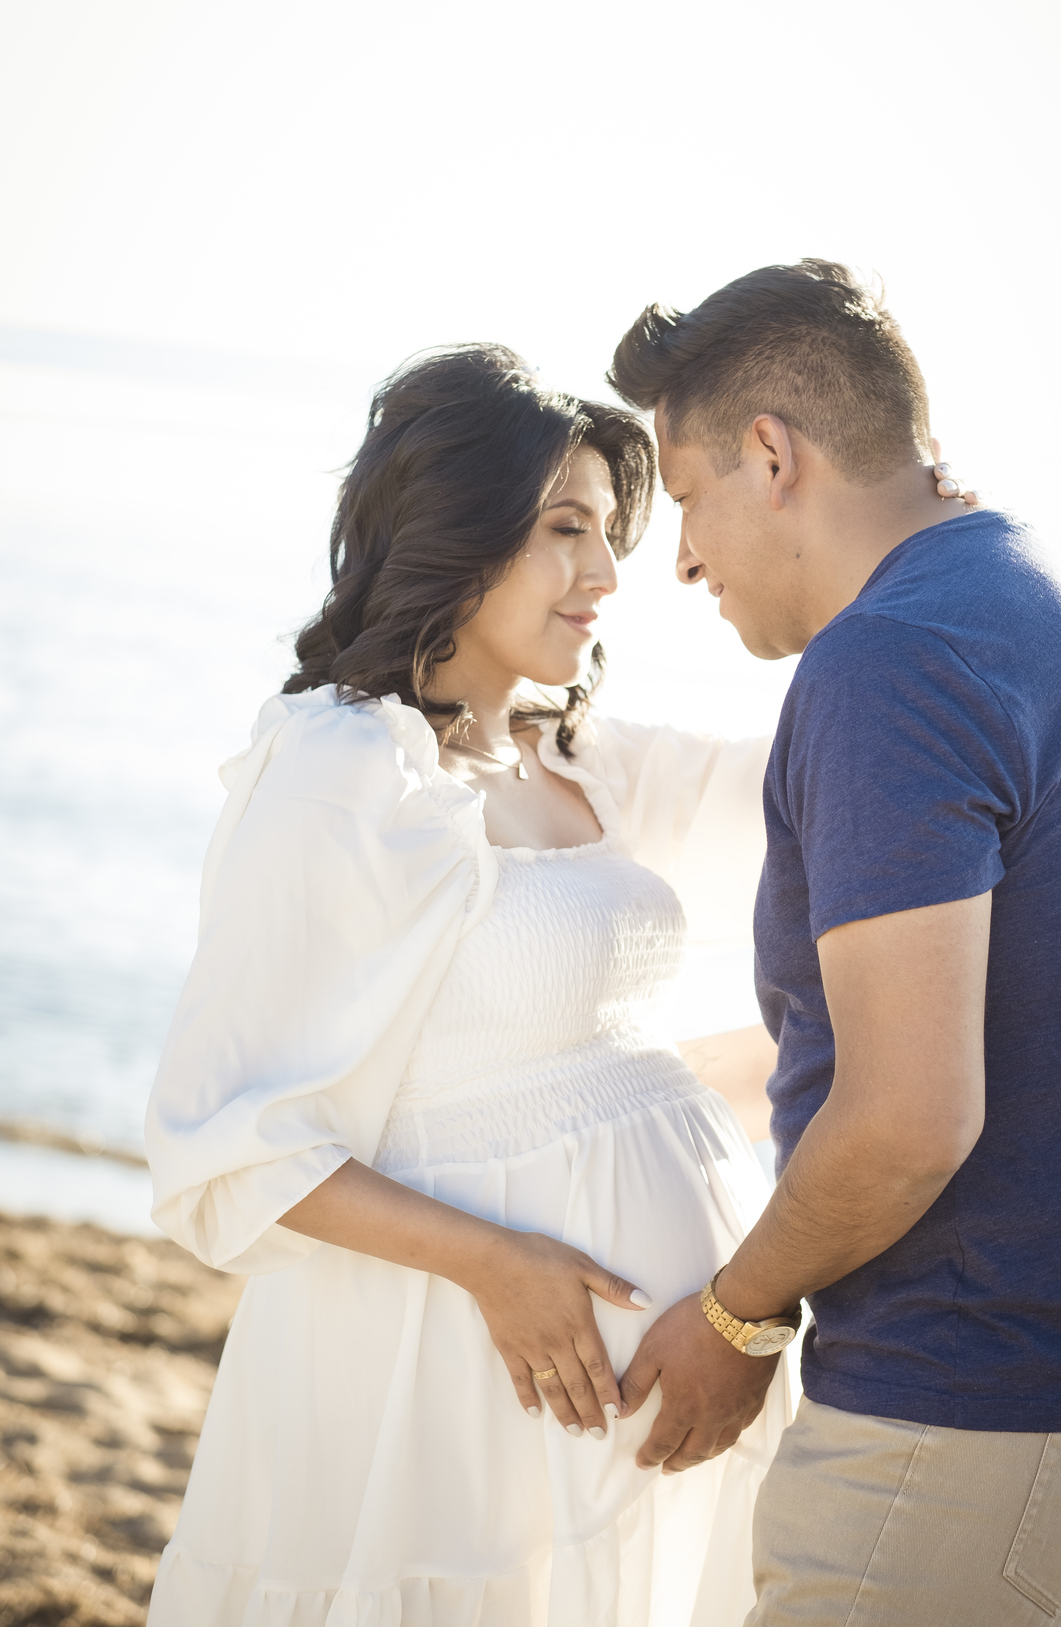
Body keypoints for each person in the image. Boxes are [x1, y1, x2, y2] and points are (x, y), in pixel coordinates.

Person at [145, 345, 798, 1627]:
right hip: (444, 1382)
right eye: (567, 530)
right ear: (457, 532)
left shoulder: (585, 757)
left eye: (610, 533)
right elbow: (225, 1141)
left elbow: (810, 792)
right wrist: (495, 1263)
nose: (607, 576)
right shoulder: (345, 769)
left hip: (646, 1404)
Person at [608, 260, 1061, 1627]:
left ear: (771, 456)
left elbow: (909, 1118)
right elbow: (1009, 1003)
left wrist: (734, 1320)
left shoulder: (888, 661)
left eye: (685, 498)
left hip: (969, 1403)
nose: (681, 555)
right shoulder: (1013, 586)